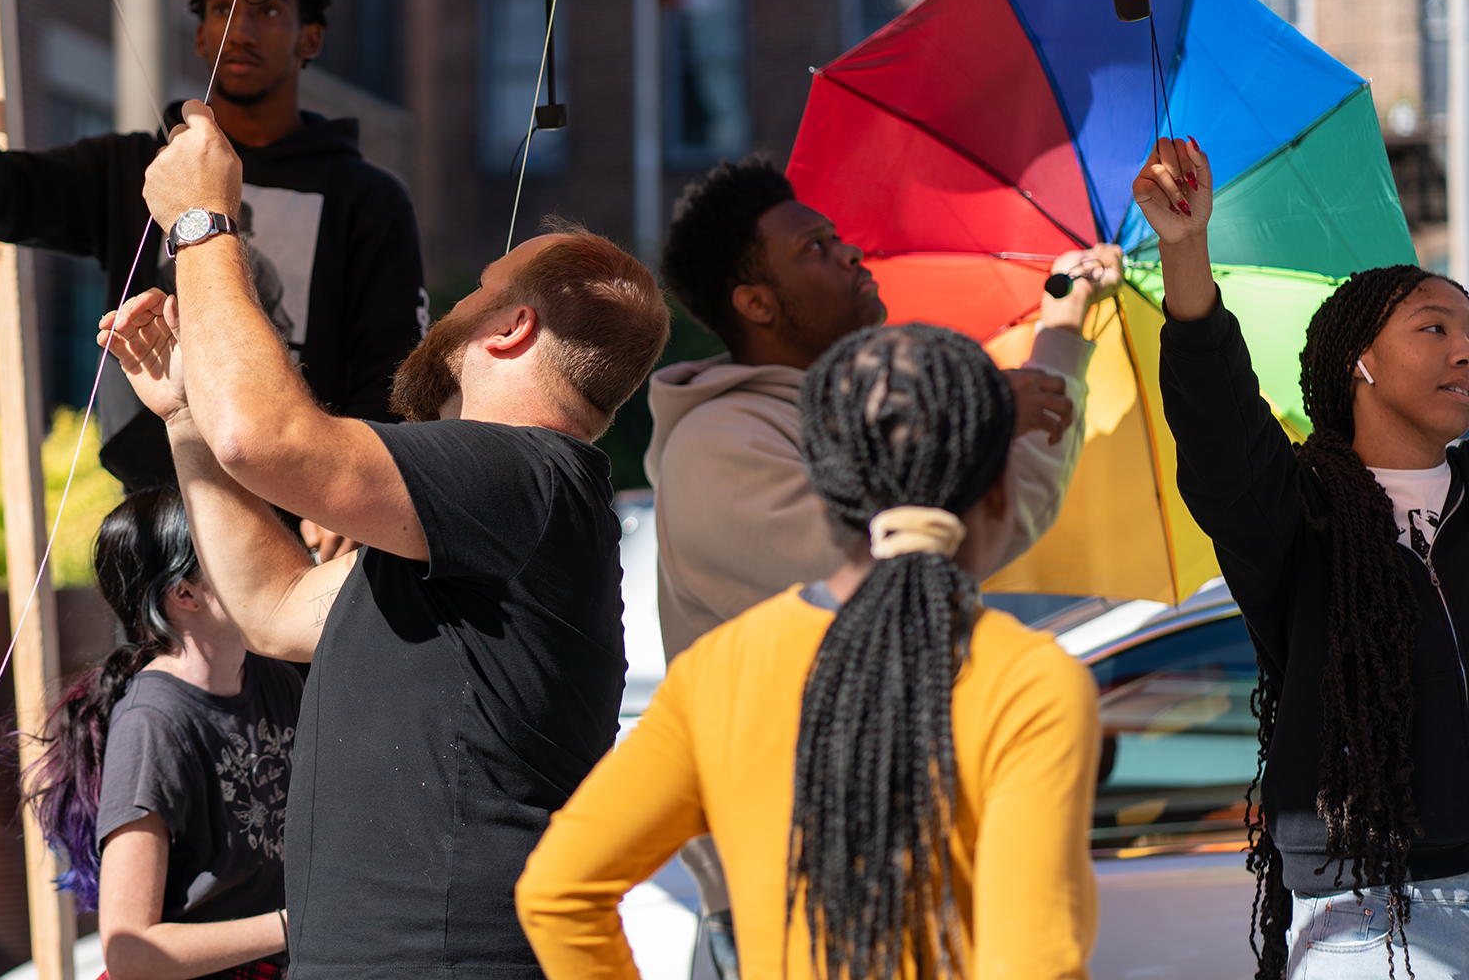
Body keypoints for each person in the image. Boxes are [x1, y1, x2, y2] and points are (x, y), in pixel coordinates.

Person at [98, 98, 671, 980]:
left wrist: (203, 222)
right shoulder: (505, 512)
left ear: (512, 328)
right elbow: (274, 607)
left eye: (477, 291)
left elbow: (267, 438)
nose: (450, 306)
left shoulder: (524, 474)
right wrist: (183, 419)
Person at [517, 323, 1101, 979]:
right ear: (999, 490)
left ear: (826, 491)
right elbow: (1034, 963)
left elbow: (558, 893)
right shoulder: (1030, 682)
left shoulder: (723, 669)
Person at [646, 156, 1119, 959]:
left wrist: (1061, 334)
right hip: (787, 906)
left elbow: (1002, 518)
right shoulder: (717, 445)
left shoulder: (855, 424)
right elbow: (870, 574)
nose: (848, 254)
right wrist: (971, 419)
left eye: (836, 238)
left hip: (899, 879)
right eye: (813, 249)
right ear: (755, 303)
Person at [0, 0, 427, 501]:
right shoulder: (136, 165)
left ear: (311, 38)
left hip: (306, 506)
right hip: (154, 503)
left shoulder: (367, 197)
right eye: (222, 8)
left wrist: (354, 491)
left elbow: (393, 370)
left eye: (269, 10)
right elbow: (0, 200)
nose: (240, 30)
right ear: (199, 35)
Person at [1141, 137, 1469, 976]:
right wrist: (1187, 253)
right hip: (1378, 918)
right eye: (1434, 328)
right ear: (1359, 362)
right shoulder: (1297, 512)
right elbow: (1219, 427)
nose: (1464, 349)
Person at [25, 487, 303, 980]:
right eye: (235, 545)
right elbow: (131, 955)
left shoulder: (278, 679)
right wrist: (297, 925)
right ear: (184, 594)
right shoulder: (151, 723)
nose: (260, 556)